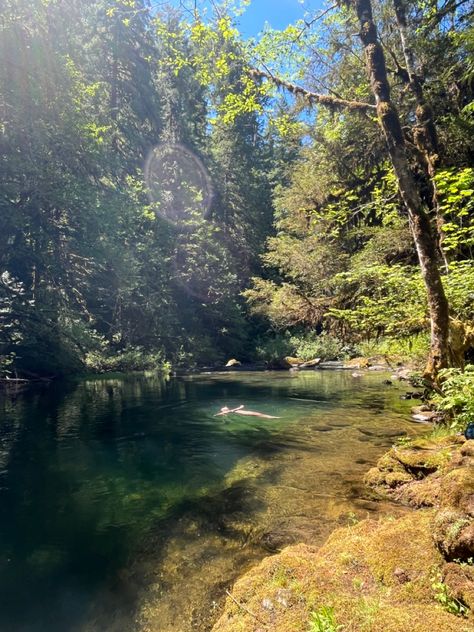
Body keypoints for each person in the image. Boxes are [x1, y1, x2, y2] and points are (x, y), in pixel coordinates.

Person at [214, 405, 280, 419]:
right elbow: (222, 413)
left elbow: (222, 413)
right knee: (262, 415)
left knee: (262, 415)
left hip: (250, 413)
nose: (226, 407)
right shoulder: (231, 411)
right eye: (225, 408)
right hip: (250, 414)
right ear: (225, 410)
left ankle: (275, 417)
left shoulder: (231, 411)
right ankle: (276, 417)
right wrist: (240, 407)